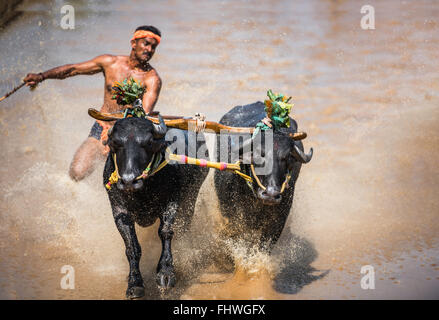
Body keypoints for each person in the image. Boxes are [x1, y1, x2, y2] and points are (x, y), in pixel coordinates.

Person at [23, 25, 163, 181]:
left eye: (153, 47)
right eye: (146, 44)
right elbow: (73, 69)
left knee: (127, 181)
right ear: (134, 43)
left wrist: (117, 140)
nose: (149, 49)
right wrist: (41, 76)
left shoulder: (152, 79)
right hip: (102, 126)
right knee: (76, 173)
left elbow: (142, 115)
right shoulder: (110, 63)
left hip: (127, 137)